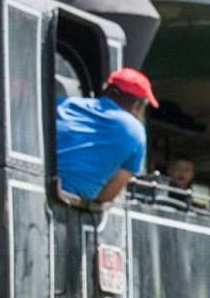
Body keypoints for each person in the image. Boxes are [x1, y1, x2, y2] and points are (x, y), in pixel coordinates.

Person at [55, 68, 153, 204]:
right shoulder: (136, 131)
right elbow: (106, 196)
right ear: (137, 105)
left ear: (106, 89)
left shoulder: (65, 103)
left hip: (43, 184)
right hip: (68, 201)